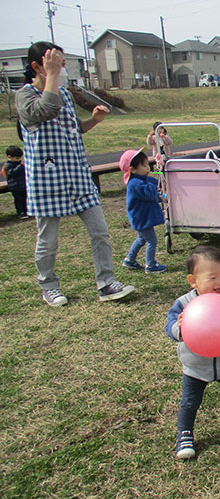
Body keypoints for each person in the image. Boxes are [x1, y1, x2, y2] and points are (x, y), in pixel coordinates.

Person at [15, 41, 134, 307]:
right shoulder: (25, 96)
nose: (62, 68)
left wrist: (94, 121)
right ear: (37, 66)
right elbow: (45, 110)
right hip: (47, 179)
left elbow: (73, 128)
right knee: (48, 240)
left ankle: (106, 282)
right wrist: (51, 77)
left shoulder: (65, 95)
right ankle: (48, 285)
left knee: (100, 232)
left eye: (63, 63)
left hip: (77, 175)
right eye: (56, 63)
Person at [165, 245, 220, 459]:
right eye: (212, 277)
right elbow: (169, 327)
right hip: (195, 367)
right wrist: (180, 328)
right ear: (193, 281)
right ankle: (184, 435)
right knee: (189, 402)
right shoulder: (184, 304)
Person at [119, 148, 167, 274]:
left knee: (141, 239)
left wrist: (159, 197)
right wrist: (151, 180)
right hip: (142, 218)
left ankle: (130, 260)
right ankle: (151, 265)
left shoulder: (139, 181)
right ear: (133, 169)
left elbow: (148, 196)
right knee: (152, 240)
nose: (148, 168)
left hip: (141, 217)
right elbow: (148, 193)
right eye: (144, 165)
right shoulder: (135, 183)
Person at [3, 145, 28, 219]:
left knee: (24, 198)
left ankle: (26, 210)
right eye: (17, 158)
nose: (18, 160)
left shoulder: (18, 163)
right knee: (18, 200)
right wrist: (21, 166)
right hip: (15, 186)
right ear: (9, 157)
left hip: (22, 185)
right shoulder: (8, 165)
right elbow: (12, 173)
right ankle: (21, 212)